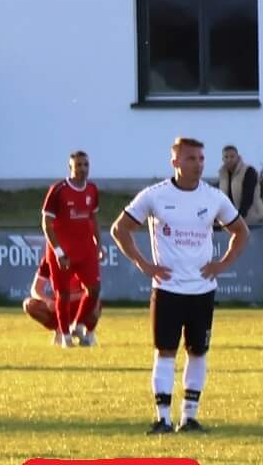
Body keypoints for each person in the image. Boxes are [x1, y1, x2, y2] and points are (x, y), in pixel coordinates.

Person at [110, 137, 250, 434]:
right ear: (175, 162)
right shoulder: (155, 196)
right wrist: (143, 264)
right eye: (190, 158)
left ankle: (190, 417)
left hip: (202, 290)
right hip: (167, 289)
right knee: (165, 352)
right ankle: (162, 418)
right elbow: (119, 229)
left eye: (201, 158)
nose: (198, 164)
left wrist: (221, 264)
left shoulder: (213, 197)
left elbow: (241, 232)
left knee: (198, 352)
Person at [41, 150, 105, 347]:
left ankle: (78, 324)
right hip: (63, 252)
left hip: (85, 250)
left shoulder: (92, 189)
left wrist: (99, 245)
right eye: (78, 165)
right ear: (70, 167)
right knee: (63, 294)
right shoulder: (58, 190)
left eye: (85, 165)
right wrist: (58, 252)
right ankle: (66, 337)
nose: (82, 169)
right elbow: (46, 223)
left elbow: (93, 219)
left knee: (94, 289)